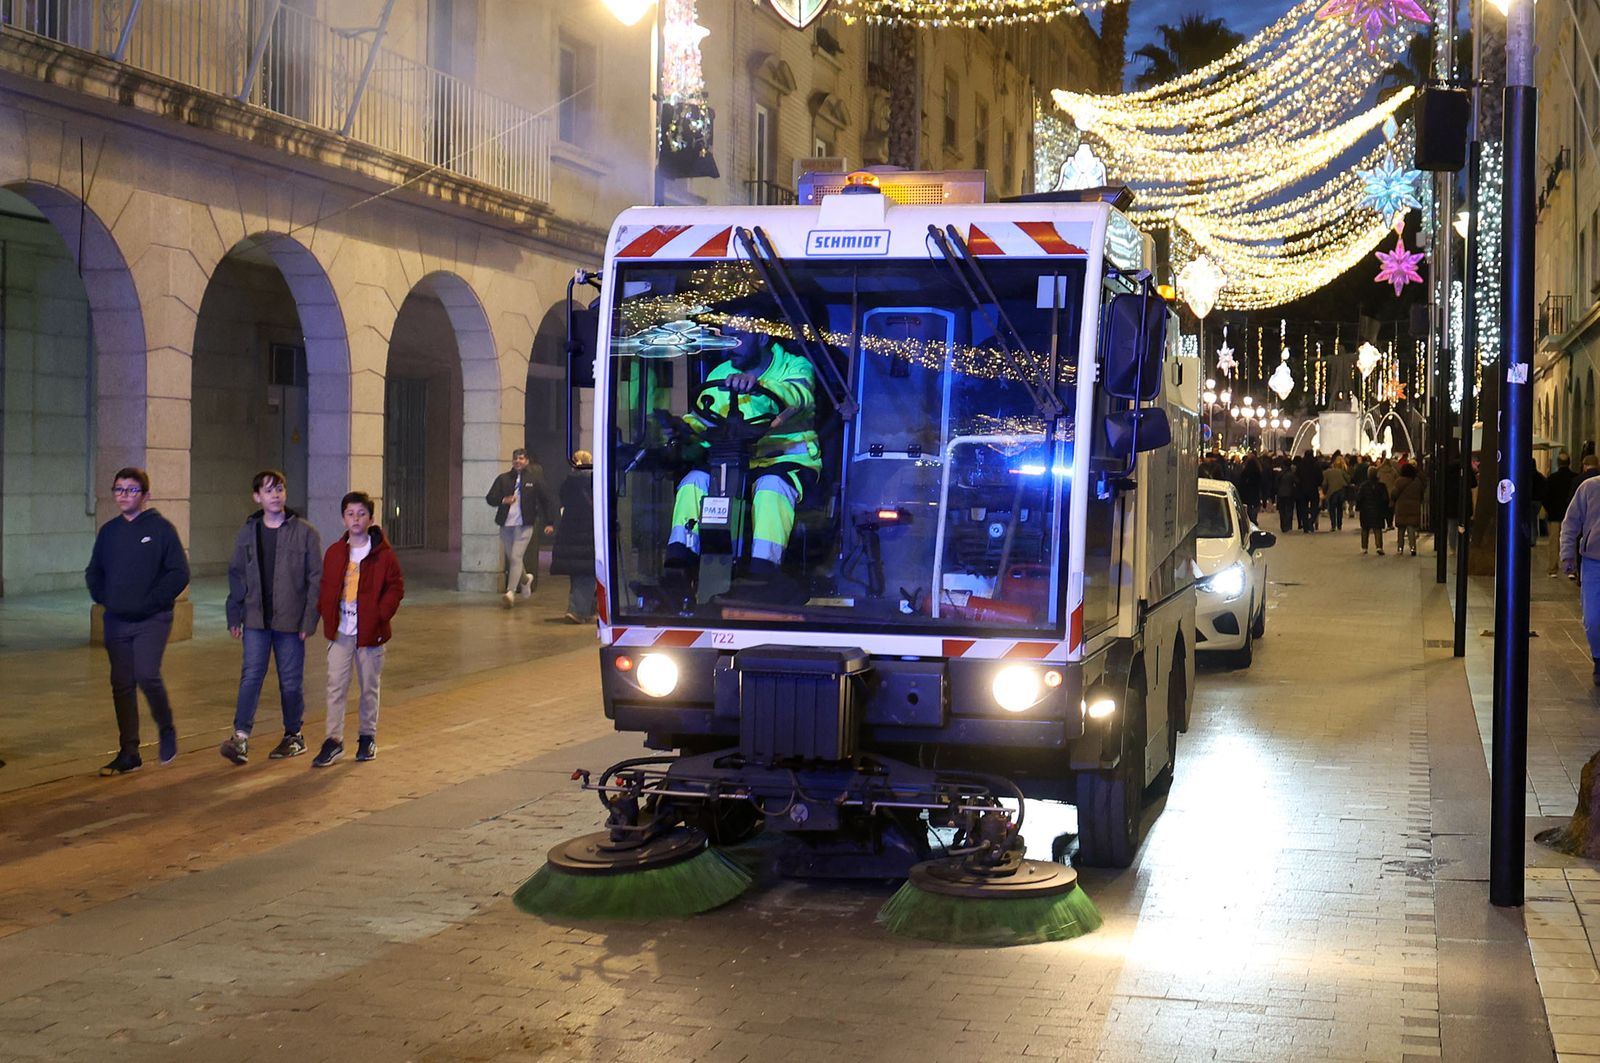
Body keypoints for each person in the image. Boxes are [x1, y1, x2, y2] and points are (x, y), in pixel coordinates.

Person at [663, 329, 819, 586]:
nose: (730, 345)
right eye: (726, 338)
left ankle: (764, 572)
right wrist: (683, 428)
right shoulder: (720, 374)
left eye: (738, 337)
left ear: (762, 338)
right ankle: (679, 563)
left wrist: (760, 386)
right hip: (732, 462)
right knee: (694, 481)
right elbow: (704, 419)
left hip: (786, 462)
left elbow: (798, 395)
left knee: (771, 487)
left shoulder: (795, 366)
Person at [85, 467, 190, 776]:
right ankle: (129, 751)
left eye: (132, 490)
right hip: (116, 619)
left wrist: (151, 601)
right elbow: (94, 571)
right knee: (121, 683)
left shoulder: (161, 530)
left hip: (152, 619)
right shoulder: (109, 532)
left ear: (145, 496)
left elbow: (178, 573)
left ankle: (166, 728)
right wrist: (106, 598)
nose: (124, 495)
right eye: (119, 489)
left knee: (146, 673)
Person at [220, 471, 323, 765]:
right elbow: (237, 575)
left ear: (285, 493)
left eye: (279, 489)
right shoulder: (247, 533)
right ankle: (240, 738)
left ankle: (294, 735)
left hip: (290, 622)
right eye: (268, 491)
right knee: (250, 676)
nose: (275, 495)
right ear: (257, 497)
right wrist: (234, 614)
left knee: (290, 681)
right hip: (255, 619)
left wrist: (308, 620)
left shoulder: (305, 533)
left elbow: (316, 580)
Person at [312, 492, 404, 767]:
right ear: (343, 518)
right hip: (340, 631)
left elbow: (396, 587)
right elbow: (325, 586)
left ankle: (367, 737)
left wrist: (379, 615)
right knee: (335, 686)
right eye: (350, 514)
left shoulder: (383, 555)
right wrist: (325, 611)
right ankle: (333, 740)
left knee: (368, 688)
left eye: (361, 514)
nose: (355, 519)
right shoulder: (335, 552)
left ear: (371, 518)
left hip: (370, 633)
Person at [484, 449, 555, 607]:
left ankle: (510, 592)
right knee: (514, 558)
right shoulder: (503, 479)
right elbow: (490, 498)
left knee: (516, 558)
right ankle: (525, 579)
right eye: (515, 458)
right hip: (506, 525)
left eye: (521, 458)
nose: (518, 461)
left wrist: (549, 522)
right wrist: (503, 500)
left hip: (525, 524)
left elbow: (546, 501)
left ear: (527, 461)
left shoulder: (534, 479)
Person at [1561, 471, 1600, 684]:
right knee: (1593, 618)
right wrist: (1567, 555)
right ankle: (1599, 658)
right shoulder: (1589, 488)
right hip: (1594, 562)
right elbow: (1570, 524)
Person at [550, 450, 596, 624]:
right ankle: (582, 610)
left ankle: (579, 610)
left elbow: (563, 496)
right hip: (587, 534)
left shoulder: (572, 482)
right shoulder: (591, 481)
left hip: (574, 534)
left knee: (581, 574)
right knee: (585, 573)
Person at [1390, 464, 1425, 556]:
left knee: (1401, 529)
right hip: (1413, 507)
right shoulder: (1417, 482)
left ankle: (1400, 548)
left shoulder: (1399, 481)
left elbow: (1394, 493)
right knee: (1411, 528)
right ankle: (1413, 548)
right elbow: (1421, 494)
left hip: (1402, 507)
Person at [1356, 469, 1391, 555]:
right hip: (1378, 510)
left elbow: (1359, 498)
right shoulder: (1381, 486)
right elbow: (1385, 499)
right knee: (1377, 528)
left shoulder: (1363, 486)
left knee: (1365, 529)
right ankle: (1379, 546)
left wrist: (1358, 507)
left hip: (1365, 510)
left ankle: (1364, 547)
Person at [1294, 451, 1322, 533]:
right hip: (1313, 489)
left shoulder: (1300, 465)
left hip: (1302, 489)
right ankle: (1311, 521)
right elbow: (1320, 478)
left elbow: (1296, 477)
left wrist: (1299, 484)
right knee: (1315, 507)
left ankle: (1305, 526)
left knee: (1303, 508)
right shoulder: (1316, 465)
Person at [1322, 457, 1349, 532]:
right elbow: (1348, 479)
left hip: (1331, 492)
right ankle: (1339, 525)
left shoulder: (1327, 472)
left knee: (1332, 509)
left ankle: (1333, 525)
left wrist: (1325, 492)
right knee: (1340, 508)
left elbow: (1324, 484)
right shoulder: (1342, 472)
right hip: (1341, 491)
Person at [1275, 463, 1298, 534]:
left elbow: (1276, 483)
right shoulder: (1291, 474)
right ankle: (1288, 525)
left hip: (1280, 494)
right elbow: (1297, 482)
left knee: (1282, 511)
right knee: (1289, 510)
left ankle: (1283, 526)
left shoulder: (1279, 474)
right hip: (1289, 494)